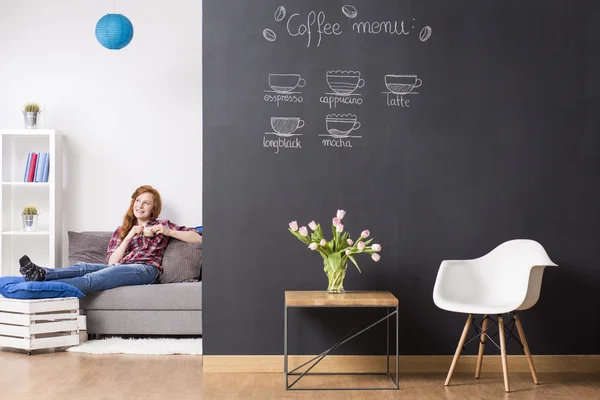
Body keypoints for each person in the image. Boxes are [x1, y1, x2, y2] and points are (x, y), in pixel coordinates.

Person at [18, 185, 202, 294]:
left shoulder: (162, 225)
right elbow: (112, 261)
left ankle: (42, 287)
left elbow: (198, 238)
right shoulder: (122, 231)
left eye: (146, 202)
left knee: (93, 278)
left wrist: (168, 232)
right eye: (138, 201)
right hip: (119, 266)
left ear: (154, 208)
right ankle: (42, 274)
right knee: (83, 267)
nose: (140, 205)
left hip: (146, 269)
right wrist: (130, 235)